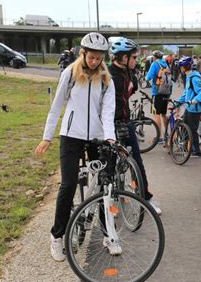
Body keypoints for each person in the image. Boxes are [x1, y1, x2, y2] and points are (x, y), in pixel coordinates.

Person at [35, 32, 116, 261]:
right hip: (71, 136)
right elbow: (57, 105)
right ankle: (57, 236)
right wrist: (47, 136)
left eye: (99, 58)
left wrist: (109, 138)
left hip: (96, 138)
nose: (94, 62)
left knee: (102, 187)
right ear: (84, 54)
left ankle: (108, 235)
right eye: (91, 57)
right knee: (68, 185)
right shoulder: (70, 73)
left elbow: (108, 112)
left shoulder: (107, 80)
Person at [107, 37, 162, 215]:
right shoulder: (107, 76)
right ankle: (109, 203)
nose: (136, 60)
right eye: (133, 57)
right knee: (109, 165)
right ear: (123, 58)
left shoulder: (128, 72)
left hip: (125, 122)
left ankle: (146, 197)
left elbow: (133, 87)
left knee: (137, 162)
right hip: (109, 125)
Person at [177, 56, 201, 157]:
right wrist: (178, 102)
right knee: (184, 128)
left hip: (194, 109)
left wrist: (194, 100)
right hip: (189, 108)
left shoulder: (194, 78)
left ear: (183, 68)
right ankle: (186, 149)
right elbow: (187, 93)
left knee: (192, 130)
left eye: (181, 67)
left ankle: (196, 151)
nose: (180, 69)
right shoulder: (189, 77)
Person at [145, 50, 171, 144]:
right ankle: (166, 135)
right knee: (164, 114)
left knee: (156, 114)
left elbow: (148, 77)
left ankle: (159, 137)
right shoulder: (166, 64)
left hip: (157, 92)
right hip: (166, 92)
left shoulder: (155, 64)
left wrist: (146, 77)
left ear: (154, 57)